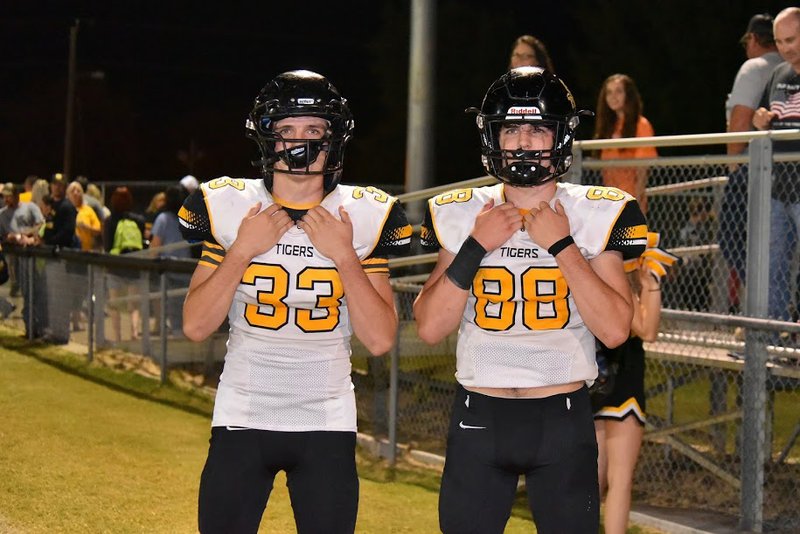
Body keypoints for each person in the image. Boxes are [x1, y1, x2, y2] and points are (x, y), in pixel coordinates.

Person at [413, 67, 647, 534]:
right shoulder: (461, 212)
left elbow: (618, 329)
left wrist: (562, 246)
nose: (523, 142)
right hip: (479, 413)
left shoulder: (597, 211)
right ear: (492, 134)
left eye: (538, 128)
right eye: (512, 128)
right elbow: (429, 327)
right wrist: (476, 246)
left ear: (560, 135)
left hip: (561, 417)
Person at [178, 69, 411, 534]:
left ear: (333, 139)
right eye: (286, 130)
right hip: (242, 411)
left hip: (325, 416)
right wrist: (242, 248)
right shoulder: (230, 206)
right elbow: (196, 326)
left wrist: (345, 255)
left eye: (312, 130)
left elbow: (381, 338)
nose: (298, 142)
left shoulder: (363, 214)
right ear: (267, 137)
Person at [592, 232, 677, 534]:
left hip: (595, 382)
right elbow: (647, 329)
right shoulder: (611, 281)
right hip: (617, 382)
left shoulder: (584, 274)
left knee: (597, 480)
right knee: (615, 479)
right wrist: (650, 279)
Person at [718, 13, 781, 300]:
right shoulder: (787, 66)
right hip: (782, 167)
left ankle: (762, 298)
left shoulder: (753, 67)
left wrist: (734, 164)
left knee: (731, 237)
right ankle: (776, 304)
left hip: (750, 165)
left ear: (754, 39)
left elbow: (741, 118)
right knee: (777, 243)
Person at [752, 7, 800, 322]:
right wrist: (760, 120)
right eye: (780, 42)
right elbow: (763, 115)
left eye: (792, 39)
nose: (785, 47)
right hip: (778, 187)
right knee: (773, 267)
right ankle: (773, 338)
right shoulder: (778, 74)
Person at [593, 74, 657, 214]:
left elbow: (642, 170)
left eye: (618, 91)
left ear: (628, 95)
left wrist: (637, 203)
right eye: (609, 92)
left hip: (630, 201)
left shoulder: (641, 125)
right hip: (608, 201)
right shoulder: (608, 128)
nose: (613, 96)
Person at [103, 186, 146, 342]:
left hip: (115, 266)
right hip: (134, 265)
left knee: (114, 304)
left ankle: (118, 337)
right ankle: (134, 333)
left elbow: (107, 246)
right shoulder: (139, 220)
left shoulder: (109, 221)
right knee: (133, 304)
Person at [149, 185, 190, 336]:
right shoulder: (188, 217)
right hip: (186, 269)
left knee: (173, 310)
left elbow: (155, 247)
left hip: (169, 271)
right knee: (184, 309)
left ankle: (178, 340)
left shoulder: (163, 219)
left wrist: (152, 266)